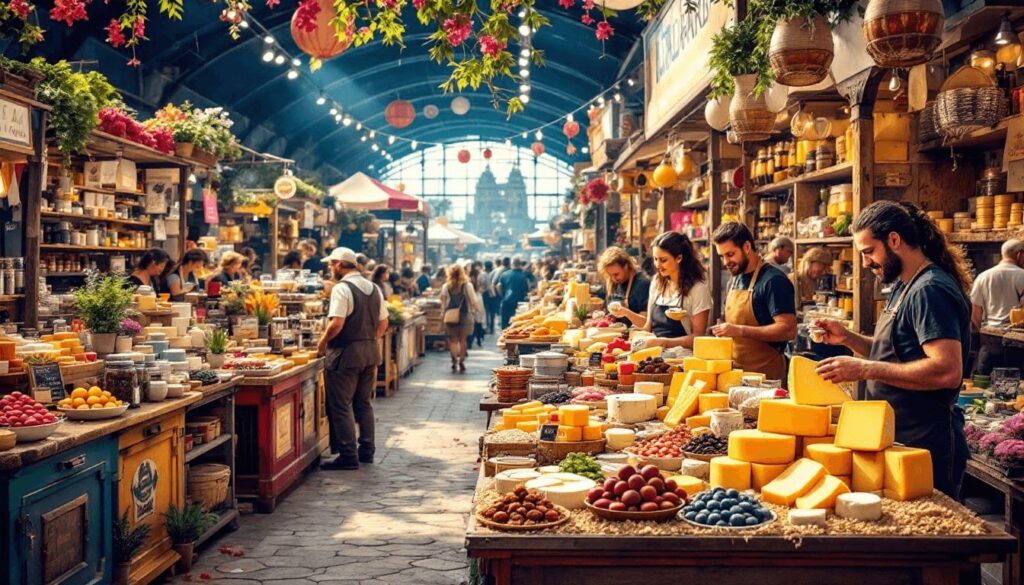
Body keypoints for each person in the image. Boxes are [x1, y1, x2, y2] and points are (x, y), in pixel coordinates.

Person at [814, 201, 972, 498]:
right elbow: (897, 354)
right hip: (898, 436)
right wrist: (849, 339)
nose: (865, 263)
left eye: (869, 252)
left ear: (894, 240)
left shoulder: (929, 289)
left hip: (926, 444)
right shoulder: (905, 284)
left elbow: (947, 370)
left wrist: (863, 369)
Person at [317, 247, 388, 470]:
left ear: (339, 264)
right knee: (364, 403)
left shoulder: (342, 288)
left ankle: (348, 456)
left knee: (341, 405)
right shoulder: (374, 288)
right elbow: (383, 323)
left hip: (345, 355)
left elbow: (336, 323)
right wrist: (368, 339)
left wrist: (322, 343)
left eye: (330, 265)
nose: (329, 269)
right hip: (369, 353)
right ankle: (366, 451)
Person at [710, 222, 797, 381]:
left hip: (766, 377)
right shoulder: (734, 280)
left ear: (747, 247)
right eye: (721, 256)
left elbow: (788, 329)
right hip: (736, 374)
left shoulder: (773, 281)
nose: (725, 262)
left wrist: (740, 330)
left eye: (730, 254)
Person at [612, 233, 711, 348]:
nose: (657, 265)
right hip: (654, 353)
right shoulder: (656, 282)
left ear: (679, 258)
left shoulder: (698, 288)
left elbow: (698, 337)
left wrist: (664, 342)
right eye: (655, 259)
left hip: (683, 357)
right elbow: (648, 326)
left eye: (663, 260)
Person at [971, 238, 1024, 374]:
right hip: (1016, 346)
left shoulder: (982, 277)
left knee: (985, 388)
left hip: (989, 344)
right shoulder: (1022, 276)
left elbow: (975, 318)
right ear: (1019, 254)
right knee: (1017, 391)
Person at [439, 263, 483, 371]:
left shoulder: (446, 286)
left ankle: (454, 361)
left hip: (451, 316)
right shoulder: (467, 285)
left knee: (453, 340)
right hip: (465, 315)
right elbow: (474, 301)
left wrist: (442, 314)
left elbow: (443, 303)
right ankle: (462, 361)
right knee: (463, 340)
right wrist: (478, 311)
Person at [598, 247, 651, 327]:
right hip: (615, 331)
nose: (613, 279)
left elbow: (645, 323)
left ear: (626, 266)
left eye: (616, 274)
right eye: (610, 275)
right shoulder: (612, 281)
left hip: (635, 334)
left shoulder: (642, 284)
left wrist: (626, 313)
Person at [497, 259, 530, 329]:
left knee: (505, 325)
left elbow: (498, 286)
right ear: (520, 265)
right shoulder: (523, 275)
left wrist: (502, 296)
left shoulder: (504, 274)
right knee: (517, 325)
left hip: (506, 302)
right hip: (519, 303)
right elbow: (527, 289)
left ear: (512, 264)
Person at [468, 263, 486, 348]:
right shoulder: (477, 277)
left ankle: (471, 342)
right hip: (477, 299)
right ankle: (478, 340)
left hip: (473, 300)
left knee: (473, 322)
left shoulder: (468, 279)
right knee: (478, 322)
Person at [481, 260, 499, 334]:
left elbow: (482, 285)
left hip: (485, 294)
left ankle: (487, 327)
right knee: (492, 312)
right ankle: (492, 328)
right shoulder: (495, 273)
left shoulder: (482, 274)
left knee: (486, 311)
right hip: (493, 295)